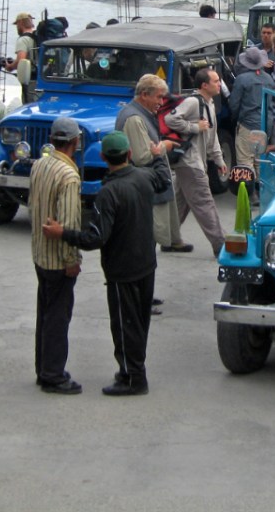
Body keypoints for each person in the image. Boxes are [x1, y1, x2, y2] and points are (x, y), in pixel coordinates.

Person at [42, 131, 169, 396]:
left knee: (124, 325)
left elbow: (95, 238)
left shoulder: (108, 192)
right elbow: (163, 179)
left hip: (123, 270)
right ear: (130, 155)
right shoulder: (143, 178)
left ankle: (133, 378)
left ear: (102, 158)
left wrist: (62, 232)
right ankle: (132, 370)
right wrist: (158, 156)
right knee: (139, 323)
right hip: (146, 264)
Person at [29, 116, 83, 394]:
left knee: (46, 314)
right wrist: (71, 260)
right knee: (58, 317)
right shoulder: (69, 176)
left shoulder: (40, 164)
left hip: (40, 253)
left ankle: (43, 368)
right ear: (75, 142)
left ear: (52, 141)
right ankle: (53, 374)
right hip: (57, 260)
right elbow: (69, 223)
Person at [115, 74, 193, 255]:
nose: (161, 102)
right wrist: (164, 146)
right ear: (144, 95)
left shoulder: (142, 114)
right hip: (142, 186)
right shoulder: (134, 119)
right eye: (158, 97)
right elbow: (142, 157)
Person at [165, 68, 228, 256]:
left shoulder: (210, 105)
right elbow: (170, 119)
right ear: (204, 85)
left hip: (193, 162)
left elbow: (212, 135)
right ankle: (221, 244)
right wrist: (194, 127)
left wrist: (219, 159)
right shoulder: (193, 102)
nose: (219, 84)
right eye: (216, 81)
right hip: (190, 162)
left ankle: (169, 238)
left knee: (180, 203)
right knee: (204, 202)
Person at [230, 47, 275, 191]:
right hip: (265, 125)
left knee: (245, 160)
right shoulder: (269, 79)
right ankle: (260, 189)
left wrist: (235, 120)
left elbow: (234, 104)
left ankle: (249, 193)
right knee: (259, 158)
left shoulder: (242, 79)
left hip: (247, 125)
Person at [3, 12, 37, 102]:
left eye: (16, 24)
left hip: (30, 81)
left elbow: (21, 61)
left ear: (20, 23)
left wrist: (10, 67)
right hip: (41, 79)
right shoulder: (37, 37)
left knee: (28, 105)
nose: (16, 27)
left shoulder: (23, 39)